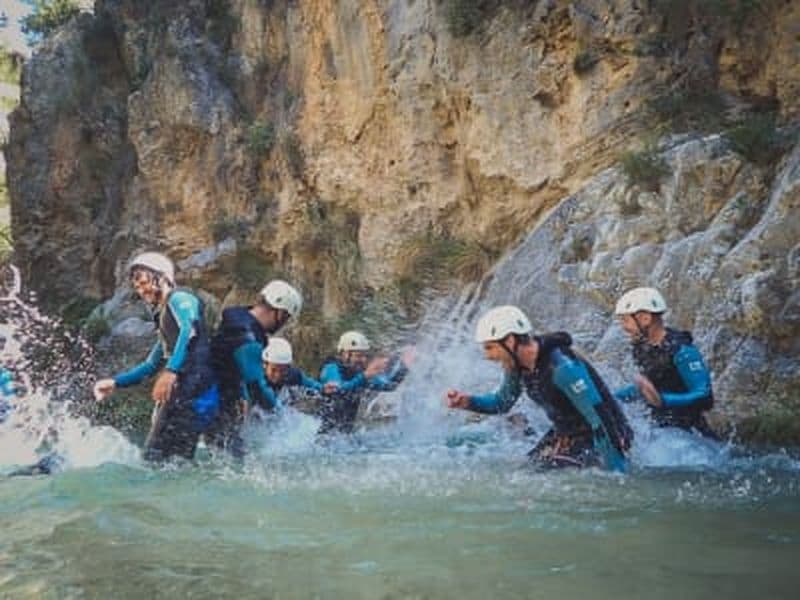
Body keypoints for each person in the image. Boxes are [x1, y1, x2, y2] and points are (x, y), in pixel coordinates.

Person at [445, 306, 632, 471]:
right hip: (567, 433)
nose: (487, 356)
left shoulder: (563, 368)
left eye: (490, 348)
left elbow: (600, 419)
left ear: (510, 340)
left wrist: (617, 475)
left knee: (537, 479)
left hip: (605, 436)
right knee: (524, 471)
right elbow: (502, 403)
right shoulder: (518, 366)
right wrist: (467, 402)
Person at [93, 252, 220, 461]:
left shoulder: (180, 298)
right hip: (185, 393)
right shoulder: (165, 318)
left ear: (162, 277)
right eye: (137, 287)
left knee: (156, 461)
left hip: (195, 392)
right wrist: (116, 382)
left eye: (144, 283)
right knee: (166, 462)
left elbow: (190, 329)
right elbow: (151, 364)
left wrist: (171, 371)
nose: (141, 290)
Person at [206, 280, 303, 456]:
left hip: (209, 396)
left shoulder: (239, 316)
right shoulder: (248, 338)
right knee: (234, 459)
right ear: (280, 312)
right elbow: (257, 386)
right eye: (286, 318)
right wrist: (282, 415)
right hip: (213, 403)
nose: (284, 323)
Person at [614, 287, 717, 438]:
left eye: (625, 320)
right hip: (662, 430)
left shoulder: (682, 351)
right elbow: (647, 388)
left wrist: (663, 401)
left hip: (693, 435)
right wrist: (613, 399)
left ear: (645, 318)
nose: (623, 327)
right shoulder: (642, 347)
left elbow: (705, 397)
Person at [318, 331, 412, 434]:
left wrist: (404, 366)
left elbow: (389, 386)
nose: (363, 360)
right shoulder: (331, 368)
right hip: (326, 436)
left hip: (345, 436)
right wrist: (365, 375)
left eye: (365, 356)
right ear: (345, 354)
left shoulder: (359, 374)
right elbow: (339, 390)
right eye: (358, 356)